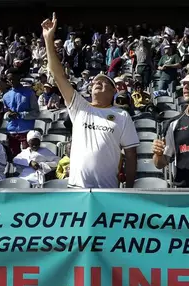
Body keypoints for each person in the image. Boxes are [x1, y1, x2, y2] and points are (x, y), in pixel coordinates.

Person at [42, 13, 139, 188]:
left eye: (104, 82)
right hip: (76, 189)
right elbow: (58, 75)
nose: (98, 83)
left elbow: (131, 155)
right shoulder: (80, 107)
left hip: (108, 190)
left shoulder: (122, 115)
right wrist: (48, 39)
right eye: (96, 82)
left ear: (113, 91)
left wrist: (129, 191)